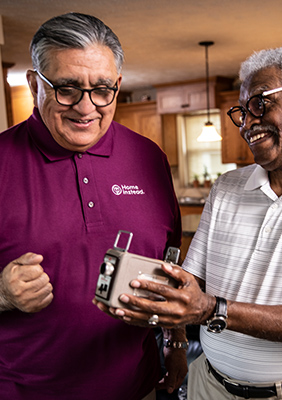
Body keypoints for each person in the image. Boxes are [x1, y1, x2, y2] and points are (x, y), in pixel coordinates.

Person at [96, 47, 282, 400]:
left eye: (259, 104)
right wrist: (149, 297)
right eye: (241, 112)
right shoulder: (226, 187)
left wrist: (211, 309)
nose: (247, 123)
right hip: (208, 385)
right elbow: (193, 283)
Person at [0, 12, 187, 400]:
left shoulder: (149, 157)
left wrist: (176, 341)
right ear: (35, 83)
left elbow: (169, 265)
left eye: (102, 90)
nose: (87, 108)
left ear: (117, 85)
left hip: (138, 388)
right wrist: (1, 293)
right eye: (67, 88)